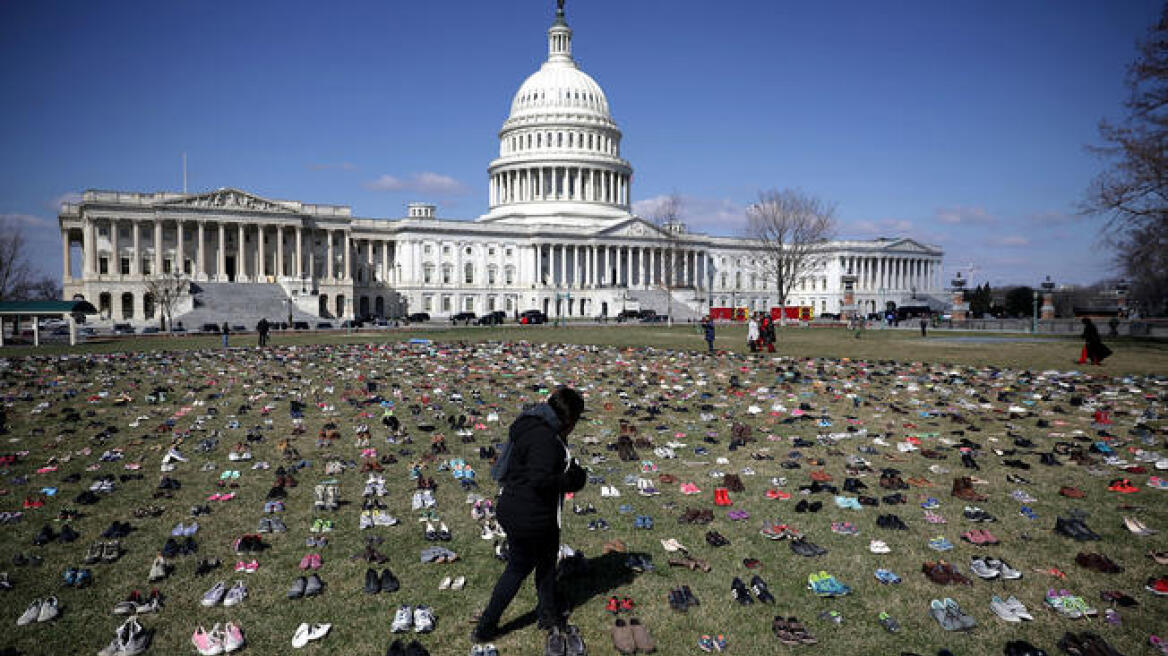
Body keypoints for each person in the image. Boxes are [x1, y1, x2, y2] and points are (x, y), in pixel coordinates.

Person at [473, 387, 587, 644]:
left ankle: (548, 613)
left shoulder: (531, 423)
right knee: (517, 568)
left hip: (516, 506)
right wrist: (573, 480)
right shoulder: (546, 440)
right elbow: (541, 479)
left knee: (547, 562)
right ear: (569, 420)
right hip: (530, 514)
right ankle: (486, 626)